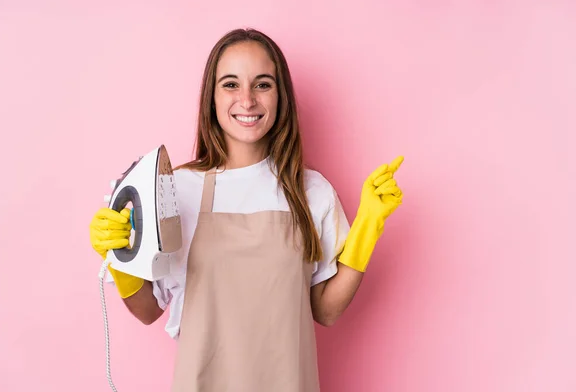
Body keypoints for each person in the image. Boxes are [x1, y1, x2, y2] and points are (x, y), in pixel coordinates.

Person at [89, 28, 404, 392]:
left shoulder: (310, 191)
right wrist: (119, 256)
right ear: (212, 97)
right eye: (231, 84)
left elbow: (326, 310)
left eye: (262, 84)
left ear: (280, 96)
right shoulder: (175, 190)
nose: (247, 100)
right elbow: (148, 310)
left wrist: (368, 226)